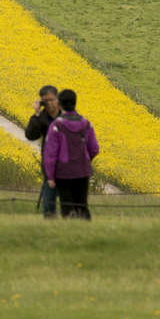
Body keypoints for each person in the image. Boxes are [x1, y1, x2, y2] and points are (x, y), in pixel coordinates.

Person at [42, 89, 99, 220]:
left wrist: (50, 177)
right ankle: (87, 234)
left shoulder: (56, 126)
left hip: (63, 172)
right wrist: (84, 160)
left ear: (60, 105)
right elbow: (94, 149)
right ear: (75, 103)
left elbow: (51, 154)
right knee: (82, 206)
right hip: (83, 171)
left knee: (66, 207)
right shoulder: (86, 124)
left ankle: (70, 234)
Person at [24, 85, 63, 218]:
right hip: (50, 167)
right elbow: (30, 135)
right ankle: (51, 231)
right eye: (45, 101)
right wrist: (36, 114)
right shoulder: (42, 118)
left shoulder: (67, 116)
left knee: (71, 206)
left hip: (69, 166)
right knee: (47, 205)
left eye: (51, 99)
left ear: (57, 99)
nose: (49, 103)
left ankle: (73, 230)